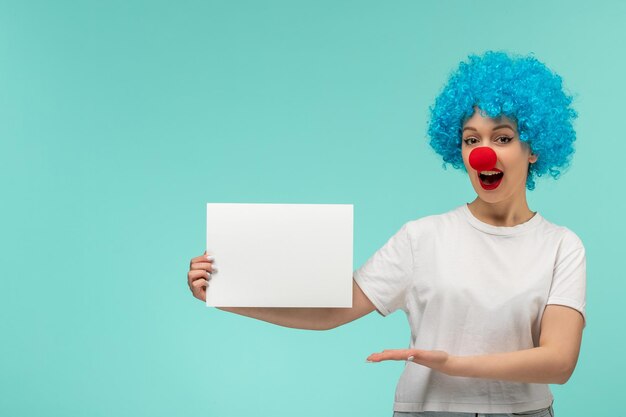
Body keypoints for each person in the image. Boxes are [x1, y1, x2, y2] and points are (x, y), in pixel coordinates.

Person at [187, 50, 586, 417]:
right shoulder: (422, 238)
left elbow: (559, 361)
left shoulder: (560, 246)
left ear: (533, 148)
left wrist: (452, 364)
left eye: (503, 138)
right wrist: (228, 293)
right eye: (471, 139)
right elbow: (331, 309)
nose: (483, 152)